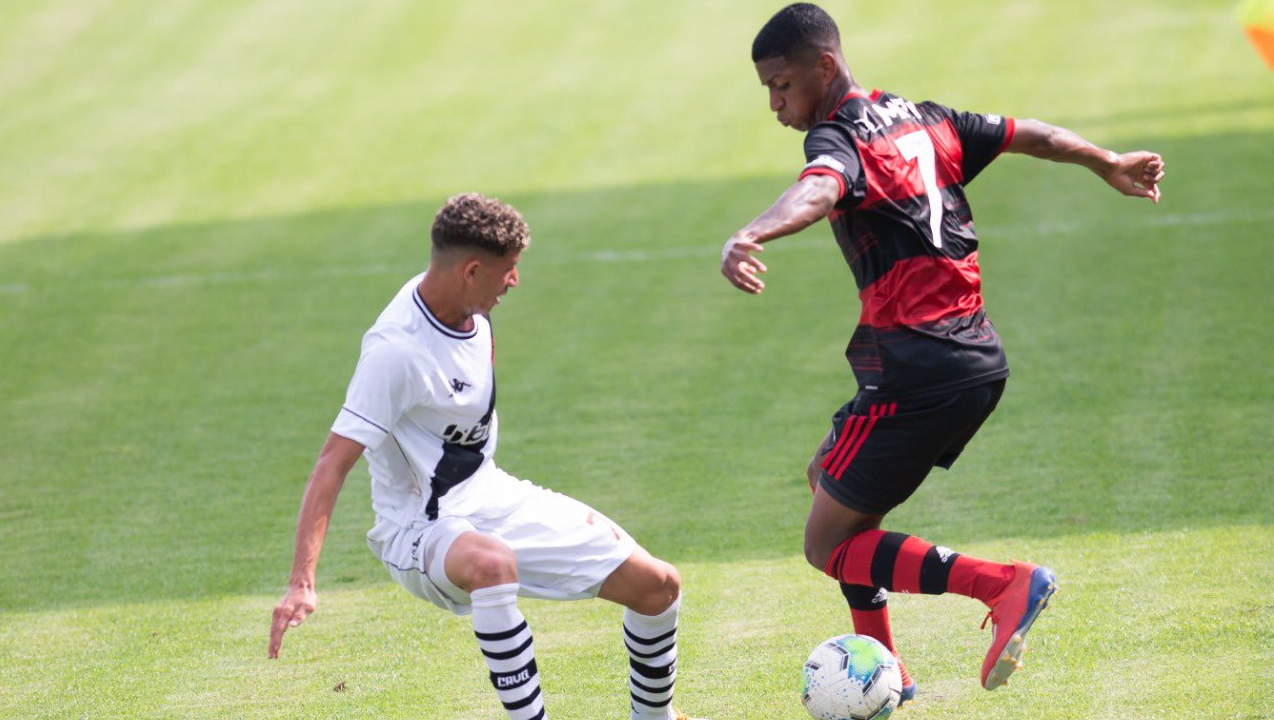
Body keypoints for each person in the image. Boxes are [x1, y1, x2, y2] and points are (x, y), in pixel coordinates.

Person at [720, 3, 1165, 702]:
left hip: (916, 369)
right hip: (974, 360)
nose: (775, 104)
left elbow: (819, 189)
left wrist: (751, 233)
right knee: (827, 481)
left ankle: (1004, 584)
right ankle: (891, 673)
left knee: (825, 545)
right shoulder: (922, 118)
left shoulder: (838, 141)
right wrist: (1105, 161)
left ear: (825, 67)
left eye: (781, 86)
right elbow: (1030, 134)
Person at [269, 193, 706, 720]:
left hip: (492, 497)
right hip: (418, 529)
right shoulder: (395, 351)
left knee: (659, 586)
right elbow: (330, 464)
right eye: (509, 270)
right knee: (492, 562)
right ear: (472, 270)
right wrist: (301, 582)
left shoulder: (469, 310)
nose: (514, 282)